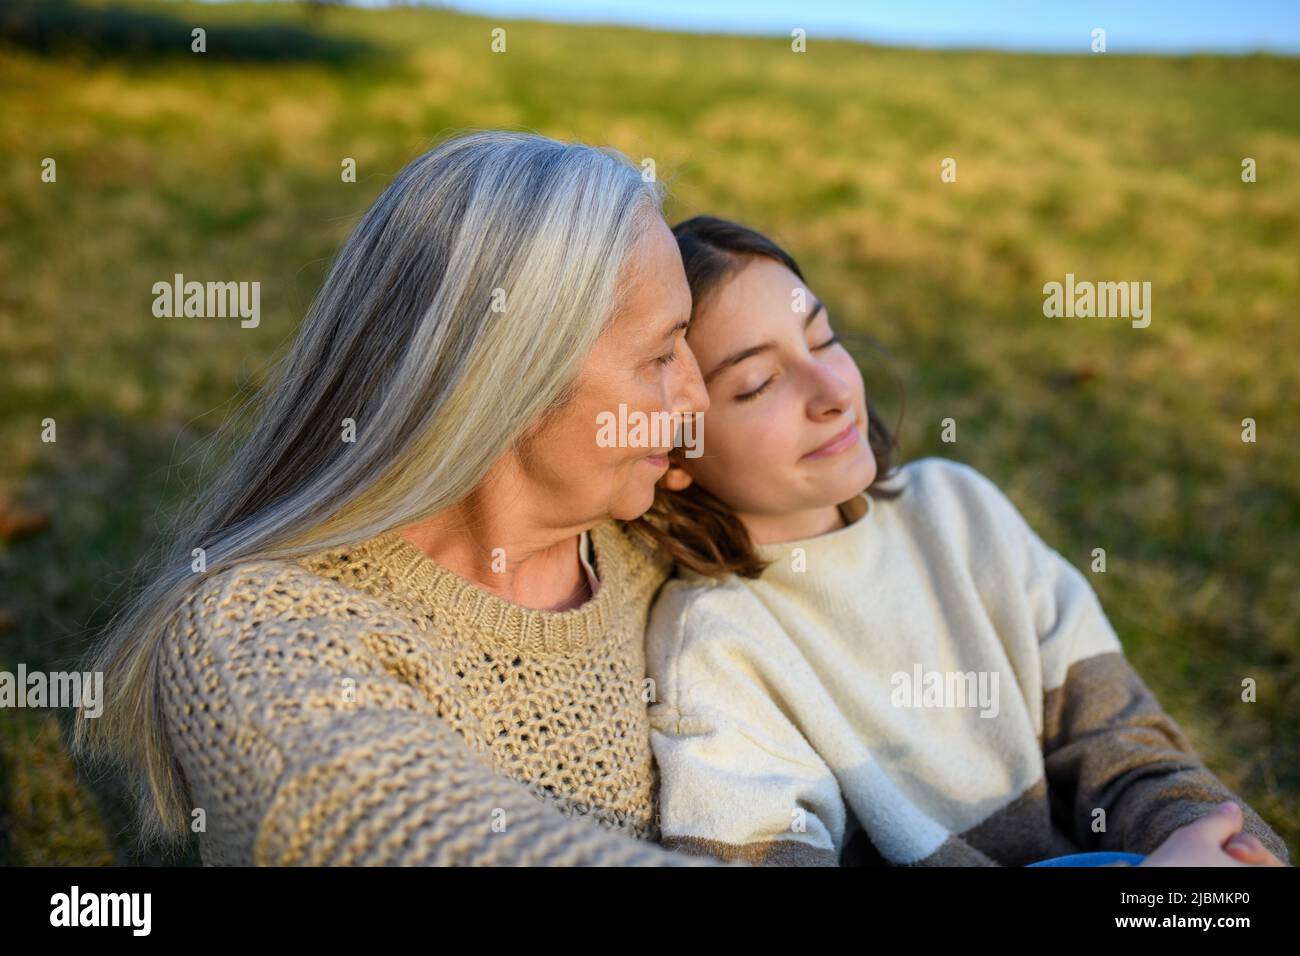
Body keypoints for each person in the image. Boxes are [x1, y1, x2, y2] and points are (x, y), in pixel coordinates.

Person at [73, 131, 742, 866]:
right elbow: (369, 825)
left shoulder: (660, 546)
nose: (695, 396)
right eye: (659, 355)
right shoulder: (260, 629)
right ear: (510, 374)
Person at [636, 215, 1291, 868]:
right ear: (673, 450)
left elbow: (1120, 740)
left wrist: (1217, 843)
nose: (834, 392)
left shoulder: (961, 511)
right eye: (758, 384)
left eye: (824, 339)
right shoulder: (714, 644)